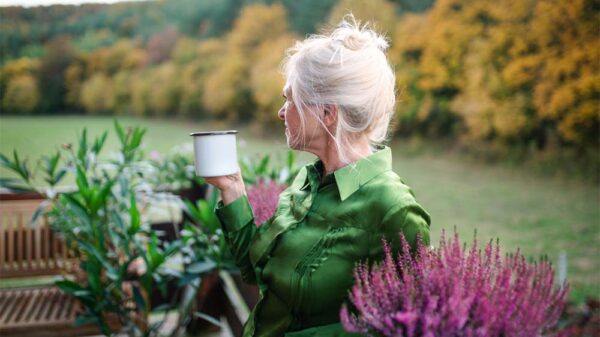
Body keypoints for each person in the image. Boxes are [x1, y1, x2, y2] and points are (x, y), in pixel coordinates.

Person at [205, 16, 431, 337]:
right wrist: (232, 187)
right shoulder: (308, 181)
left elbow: (401, 326)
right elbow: (259, 271)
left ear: (327, 112)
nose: (281, 112)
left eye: (289, 98)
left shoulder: (393, 209)